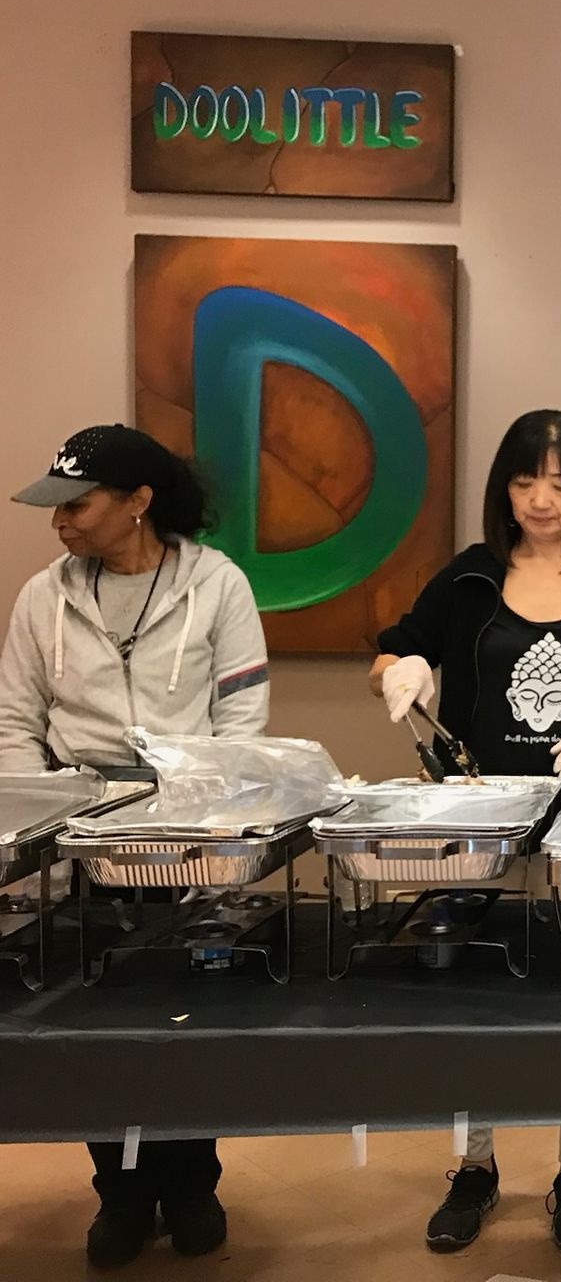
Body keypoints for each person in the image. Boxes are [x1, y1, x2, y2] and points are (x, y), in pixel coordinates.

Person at [370, 410, 561, 1254]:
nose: (542, 500)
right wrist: (405, 671)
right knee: (477, 994)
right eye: (524, 480)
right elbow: (393, 651)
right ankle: (475, 1165)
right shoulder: (469, 577)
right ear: (504, 486)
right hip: (478, 815)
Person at [0, 423, 269, 1268]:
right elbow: (15, 724)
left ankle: (193, 1185)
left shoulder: (217, 586)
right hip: (77, 845)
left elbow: (242, 724)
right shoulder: (44, 597)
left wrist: (197, 819)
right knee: (94, 1029)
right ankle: (120, 1197)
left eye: (76, 506)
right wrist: (40, 821)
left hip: (187, 843)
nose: (60, 523)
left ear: (138, 503)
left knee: (190, 1026)